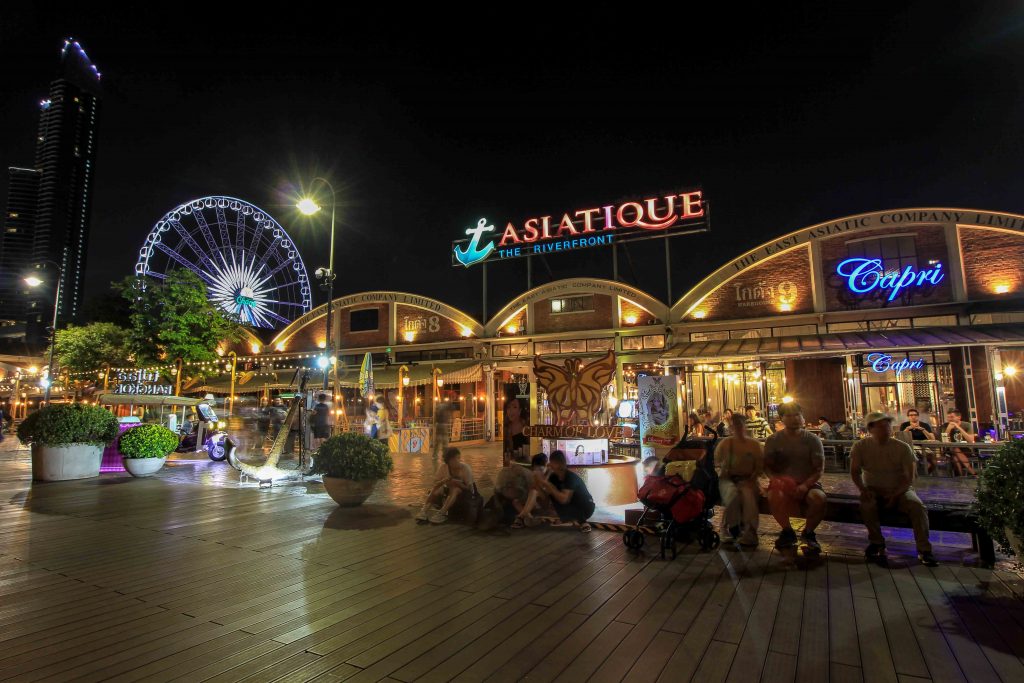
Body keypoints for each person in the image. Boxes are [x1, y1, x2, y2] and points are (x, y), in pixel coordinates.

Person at [851, 412, 938, 567]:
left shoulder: (902, 448)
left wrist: (896, 494)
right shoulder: (861, 447)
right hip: (873, 488)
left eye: (887, 425)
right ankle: (877, 542)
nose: (886, 428)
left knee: (917, 507)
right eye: (881, 425)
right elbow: (855, 471)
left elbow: (908, 477)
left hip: (901, 489)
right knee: (867, 506)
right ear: (871, 429)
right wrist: (863, 489)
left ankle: (924, 549)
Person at [763, 403, 826, 552]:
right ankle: (787, 531)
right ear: (782, 419)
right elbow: (766, 466)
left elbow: (819, 469)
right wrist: (775, 480)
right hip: (782, 483)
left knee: (819, 498)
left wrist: (805, 485)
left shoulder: (812, 440)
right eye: (789, 416)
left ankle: (809, 533)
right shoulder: (773, 440)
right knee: (773, 496)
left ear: (803, 418)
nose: (794, 419)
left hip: (807, 482)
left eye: (797, 415)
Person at [714, 413, 764, 547]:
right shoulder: (725, 444)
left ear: (745, 426)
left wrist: (751, 478)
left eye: (740, 425)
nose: (737, 428)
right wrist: (723, 471)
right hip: (728, 479)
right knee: (732, 495)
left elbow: (760, 467)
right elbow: (717, 463)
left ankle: (750, 532)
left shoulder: (754, 445)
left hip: (749, 480)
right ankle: (729, 527)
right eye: (734, 425)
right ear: (731, 428)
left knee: (748, 497)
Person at [538, 450, 595, 531]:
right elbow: (545, 496)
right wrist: (541, 482)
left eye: (551, 462)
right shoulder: (553, 477)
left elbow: (564, 499)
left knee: (560, 493)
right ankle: (567, 519)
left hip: (586, 508)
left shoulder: (570, 477)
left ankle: (581, 521)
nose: (549, 464)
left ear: (558, 464)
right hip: (571, 508)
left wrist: (549, 486)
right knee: (552, 493)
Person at [416, 447, 474, 524]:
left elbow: (469, 489)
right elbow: (435, 484)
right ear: (448, 461)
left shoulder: (465, 468)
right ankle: (424, 511)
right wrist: (445, 480)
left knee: (455, 489)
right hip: (449, 491)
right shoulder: (443, 467)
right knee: (437, 488)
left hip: (463, 492)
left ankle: (442, 513)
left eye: (458, 458)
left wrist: (458, 483)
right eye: (453, 459)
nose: (457, 461)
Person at [900, 407, 937, 474]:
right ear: (908, 417)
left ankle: (926, 474)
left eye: (915, 415)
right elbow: (900, 438)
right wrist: (907, 430)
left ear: (918, 416)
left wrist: (923, 430)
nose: (913, 417)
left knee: (933, 462)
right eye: (911, 415)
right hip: (911, 447)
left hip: (925, 447)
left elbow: (932, 438)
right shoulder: (904, 425)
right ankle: (915, 475)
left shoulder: (925, 425)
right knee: (913, 457)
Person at [941, 409, 976, 476]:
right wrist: (948, 429)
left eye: (952, 417)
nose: (949, 419)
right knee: (954, 448)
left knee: (955, 457)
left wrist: (958, 427)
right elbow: (944, 441)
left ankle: (960, 476)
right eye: (948, 417)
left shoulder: (967, 425)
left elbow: (971, 440)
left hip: (965, 449)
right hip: (949, 450)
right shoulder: (945, 426)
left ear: (959, 417)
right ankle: (972, 472)